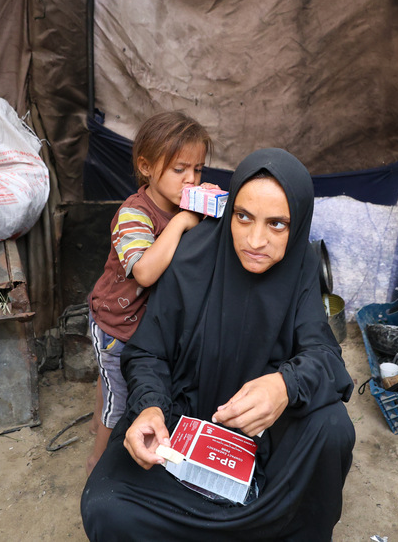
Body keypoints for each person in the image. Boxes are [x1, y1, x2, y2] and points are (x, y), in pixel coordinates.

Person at [81, 148, 356, 541]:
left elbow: (326, 357)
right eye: (243, 217)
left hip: (264, 437)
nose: (255, 240)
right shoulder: (192, 256)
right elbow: (147, 352)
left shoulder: (301, 268)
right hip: (181, 424)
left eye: (277, 224)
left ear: (297, 228)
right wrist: (149, 408)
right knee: (107, 507)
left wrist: (283, 385)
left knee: (332, 427)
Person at [85, 111, 214, 474]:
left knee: (109, 384)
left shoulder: (183, 207)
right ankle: (99, 465)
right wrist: (183, 222)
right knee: (121, 401)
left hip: (144, 328)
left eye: (199, 170)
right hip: (117, 327)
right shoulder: (134, 214)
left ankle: (97, 421)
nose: (191, 179)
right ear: (146, 166)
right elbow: (143, 271)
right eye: (179, 169)